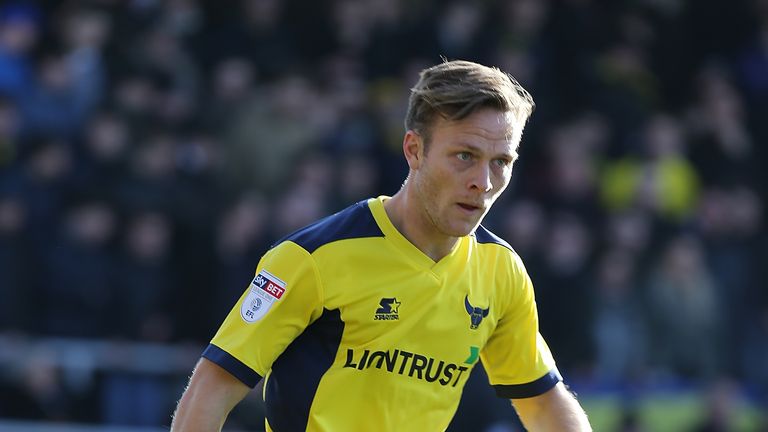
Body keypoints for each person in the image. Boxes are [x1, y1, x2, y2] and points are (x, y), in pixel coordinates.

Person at [171, 60, 591, 431]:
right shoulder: (314, 258)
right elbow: (212, 387)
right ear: (414, 150)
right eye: (465, 155)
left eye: (501, 162)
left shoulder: (501, 271)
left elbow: (543, 401)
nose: (483, 182)